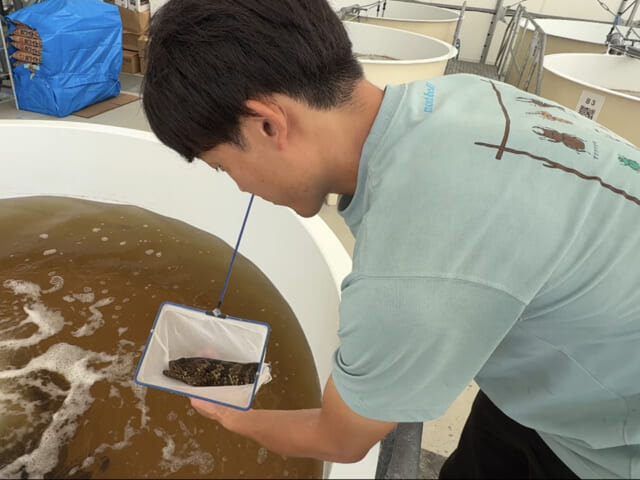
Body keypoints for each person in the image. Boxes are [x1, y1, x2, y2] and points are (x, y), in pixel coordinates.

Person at [141, 0, 640, 477]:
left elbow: (339, 439)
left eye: (223, 167)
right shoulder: (458, 94)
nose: (241, 187)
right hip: (556, 369)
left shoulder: (413, 264)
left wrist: (230, 416)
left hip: (614, 445)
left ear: (269, 125)